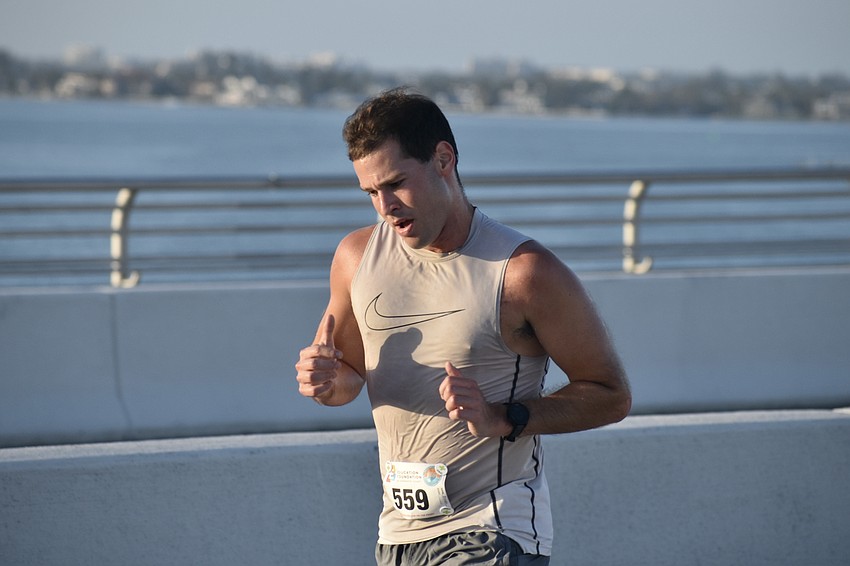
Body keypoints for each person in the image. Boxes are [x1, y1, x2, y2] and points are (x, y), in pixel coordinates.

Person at [295, 88, 631, 565]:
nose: (385, 206)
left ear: (443, 158)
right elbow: (349, 376)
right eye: (371, 192)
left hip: (491, 529)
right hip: (397, 534)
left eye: (396, 183)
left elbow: (610, 393)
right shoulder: (356, 258)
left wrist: (504, 417)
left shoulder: (523, 271)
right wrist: (325, 382)